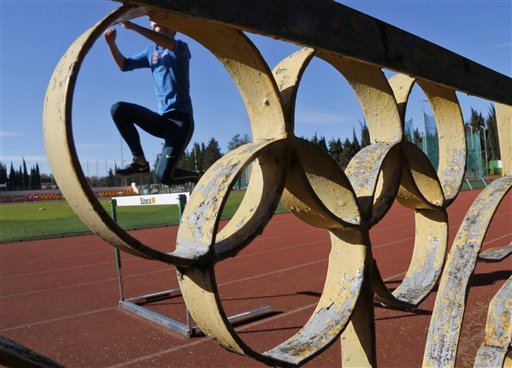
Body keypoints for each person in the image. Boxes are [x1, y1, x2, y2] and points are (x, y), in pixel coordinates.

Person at [104, 20, 200, 185]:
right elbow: (124, 65)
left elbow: (166, 42)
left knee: (164, 176)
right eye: (156, 25)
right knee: (118, 109)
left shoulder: (180, 48)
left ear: (173, 29)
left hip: (180, 124)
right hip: (162, 121)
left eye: (163, 25)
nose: (159, 28)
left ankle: (199, 176)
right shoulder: (151, 52)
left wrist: (133, 26)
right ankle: (140, 162)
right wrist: (111, 44)